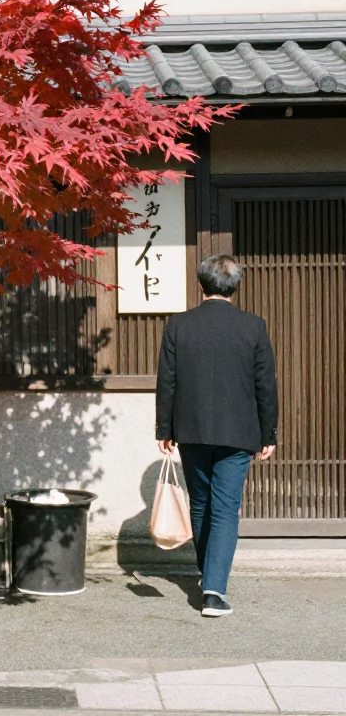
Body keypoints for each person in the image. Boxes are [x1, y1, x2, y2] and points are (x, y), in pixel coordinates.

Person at [155, 254, 278, 618]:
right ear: (235, 286)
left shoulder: (179, 325)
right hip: (239, 431)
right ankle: (213, 591)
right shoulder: (253, 326)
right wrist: (267, 432)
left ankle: (205, 573)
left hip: (190, 429)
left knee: (200, 503)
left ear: (201, 284)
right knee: (225, 509)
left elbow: (167, 381)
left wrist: (165, 428)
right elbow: (265, 385)